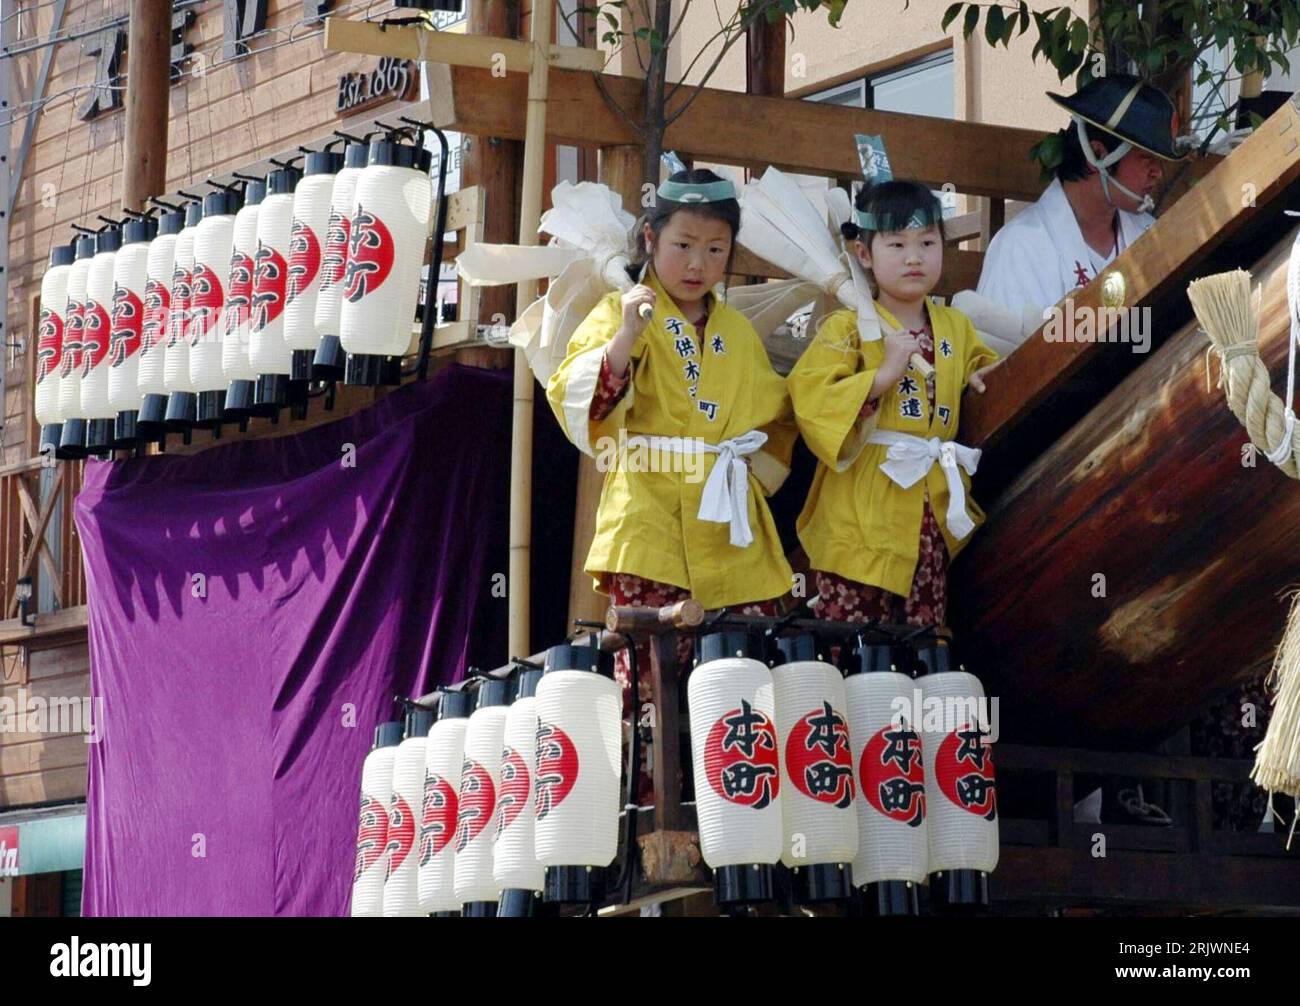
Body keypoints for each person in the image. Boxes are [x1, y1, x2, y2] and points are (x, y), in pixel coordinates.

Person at [546, 168, 796, 799]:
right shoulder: (619, 308)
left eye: (715, 249)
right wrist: (628, 334)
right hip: (649, 517)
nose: (697, 262)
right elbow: (581, 396)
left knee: (737, 676)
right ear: (651, 239)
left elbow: (775, 421)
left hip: (727, 521)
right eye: (683, 244)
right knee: (651, 679)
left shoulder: (737, 332)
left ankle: (732, 811)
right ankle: (652, 816)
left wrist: (750, 478)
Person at [789, 159, 998, 629]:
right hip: (860, 520)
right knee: (857, 648)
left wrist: (984, 372)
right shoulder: (845, 327)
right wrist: (881, 378)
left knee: (924, 643)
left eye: (927, 243)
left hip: (930, 518)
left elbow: (979, 363)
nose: (914, 257)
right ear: (864, 254)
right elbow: (812, 398)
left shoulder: (954, 326)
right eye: (897, 244)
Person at [977, 74, 1185, 318]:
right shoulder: (1020, 247)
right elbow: (1001, 352)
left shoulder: (1152, 236)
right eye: (1147, 159)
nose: (1158, 173)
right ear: (1097, 154)